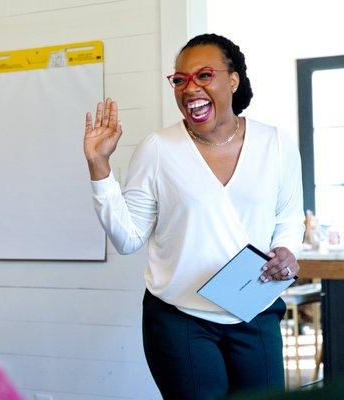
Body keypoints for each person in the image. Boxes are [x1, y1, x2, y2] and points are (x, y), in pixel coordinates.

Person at [84, 33, 304, 400]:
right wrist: (99, 165)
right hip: (179, 319)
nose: (190, 88)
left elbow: (288, 218)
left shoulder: (275, 143)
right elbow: (127, 239)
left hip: (255, 310)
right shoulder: (157, 149)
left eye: (204, 76)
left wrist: (286, 251)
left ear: (232, 80)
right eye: (180, 79)